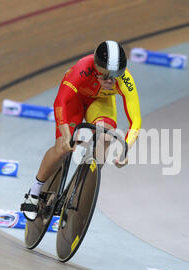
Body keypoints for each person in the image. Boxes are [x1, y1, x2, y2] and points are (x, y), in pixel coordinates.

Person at [21, 40, 142, 220]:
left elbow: (136, 121)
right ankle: (34, 191)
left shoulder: (125, 81)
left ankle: (79, 189)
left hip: (100, 103)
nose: (110, 80)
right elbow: (60, 102)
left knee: (106, 138)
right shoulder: (82, 69)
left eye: (116, 75)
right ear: (95, 67)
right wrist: (66, 133)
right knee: (63, 146)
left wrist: (125, 149)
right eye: (105, 75)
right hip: (75, 100)